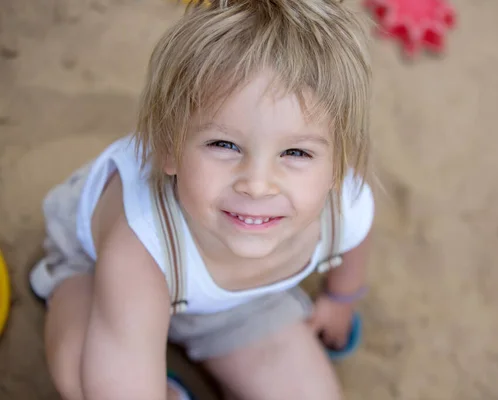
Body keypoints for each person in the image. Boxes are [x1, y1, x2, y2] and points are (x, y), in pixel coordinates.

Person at [29, 0, 374, 399]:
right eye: (224, 144)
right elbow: (121, 371)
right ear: (168, 149)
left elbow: (353, 243)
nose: (258, 185)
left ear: (337, 164)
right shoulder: (138, 246)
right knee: (86, 381)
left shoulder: (343, 204)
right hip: (98, 273)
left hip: (237, 307)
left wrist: (339, 297)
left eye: (296, 153)